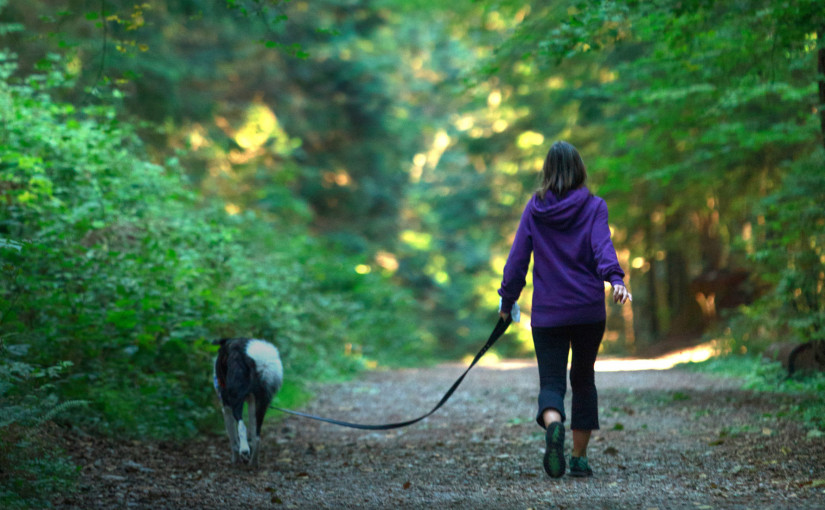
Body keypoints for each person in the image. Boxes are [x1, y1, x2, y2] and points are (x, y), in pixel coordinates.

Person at [497, 140, 631, 479]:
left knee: (552, 381)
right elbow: (603, 246)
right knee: (584, 380)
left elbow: (517, 261)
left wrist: (507, 300)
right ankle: (579, 458)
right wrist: (615, 278)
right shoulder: (594, 206)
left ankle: (553, 424)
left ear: (546, 171)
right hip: (587, 310)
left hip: (549, 313)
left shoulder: (535, 208)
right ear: (580, 170)